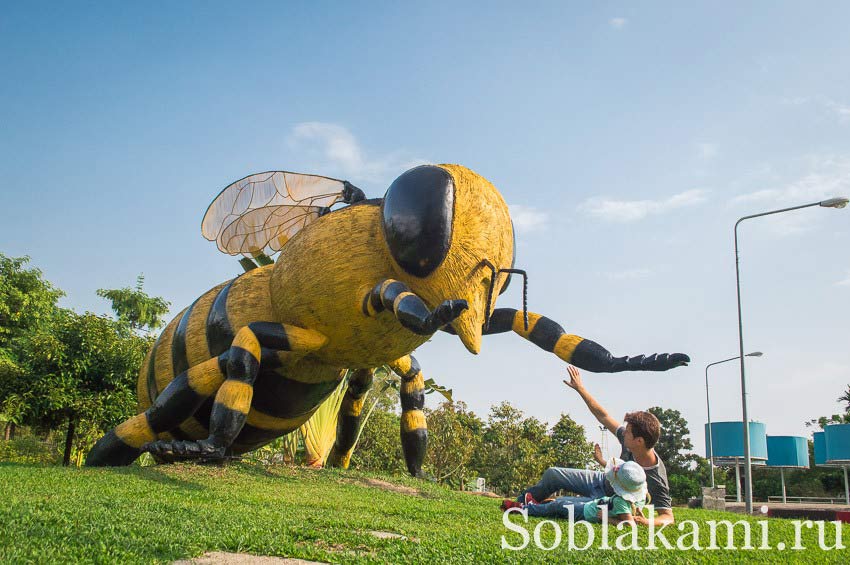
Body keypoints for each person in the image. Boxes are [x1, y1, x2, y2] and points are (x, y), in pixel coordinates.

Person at [511, 365, 675, 525]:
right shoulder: (630, 441)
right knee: (553, 474)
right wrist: (580, 388)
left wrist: (648, 522)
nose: (624, 432)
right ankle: (522, 502)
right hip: (600, 480)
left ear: (639, 441)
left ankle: (534, 507)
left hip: (607, 502)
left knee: (562, 503)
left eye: (628, 432)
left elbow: (668, 517)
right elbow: (603, 416)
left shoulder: (656, 475)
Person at [503, 458, 649, 525]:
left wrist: (607, 519)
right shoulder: (635, 481)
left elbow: (629, 523)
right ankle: (527, 504)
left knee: (560, 504)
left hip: (593, 509)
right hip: (596, 498)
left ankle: (526, 508)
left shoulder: (623, 502)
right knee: (553, 476)